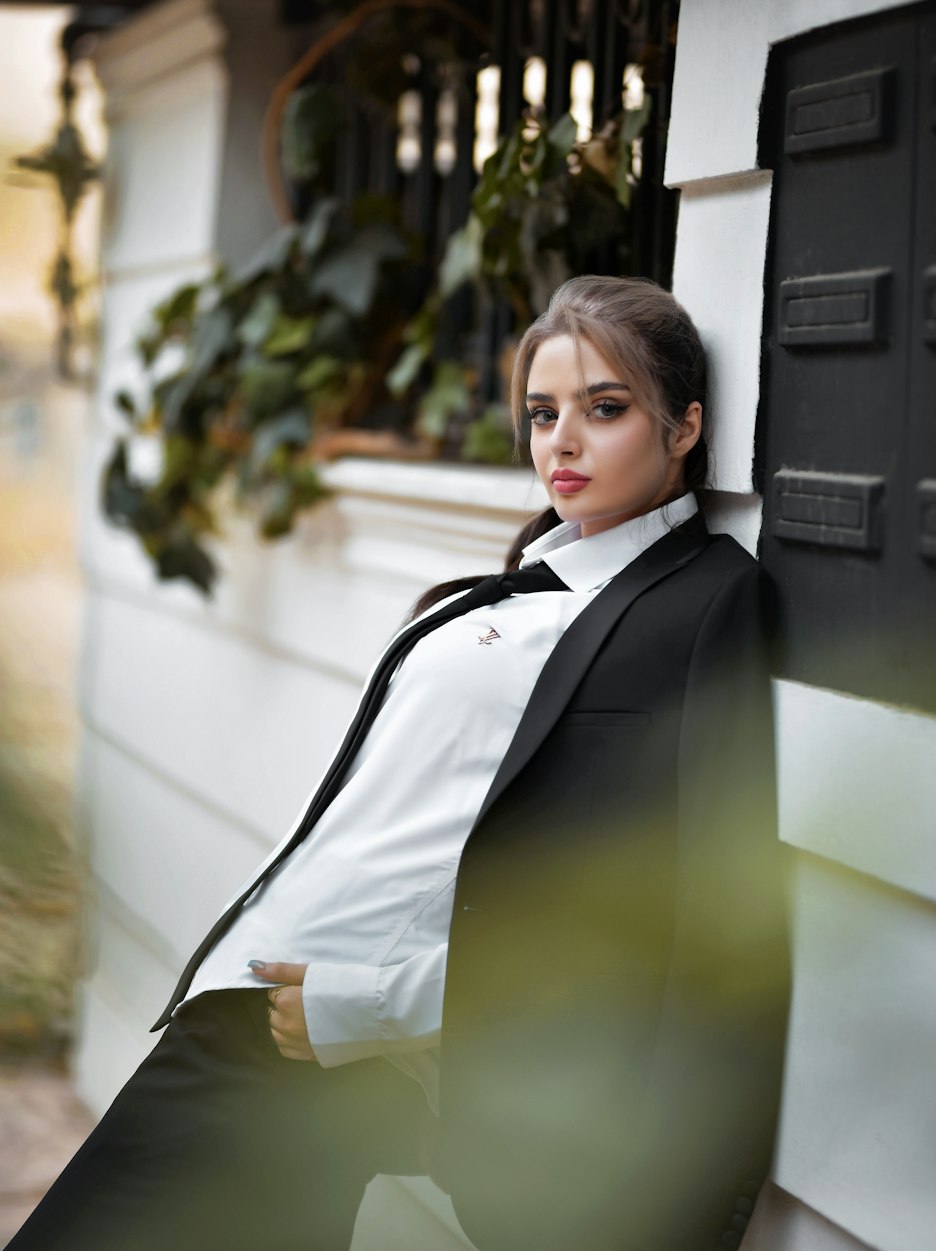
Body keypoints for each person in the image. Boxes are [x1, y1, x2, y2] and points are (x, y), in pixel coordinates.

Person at [9, 275, 788, 1251]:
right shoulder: (513, 588)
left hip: (332, 1031)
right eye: (543, 413)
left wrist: (376, 1006)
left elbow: (662, 904)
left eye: (606, 409)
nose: (562, 442)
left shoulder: (700, 602)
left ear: (684, 428)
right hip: (269, 1002)